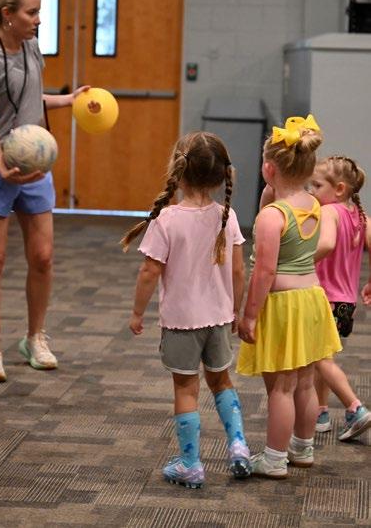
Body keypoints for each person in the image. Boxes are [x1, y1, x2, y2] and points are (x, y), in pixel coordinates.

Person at [0, 0, 88, 378]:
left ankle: (35, 338)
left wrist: (69, 100)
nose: (38, 20)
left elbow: (32, 100)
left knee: (43, 258)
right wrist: (1, 168)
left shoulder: (31, 47)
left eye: (39, 13)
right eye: (32, 13)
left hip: (34, 166)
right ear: (7, 15)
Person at [121, 131, 251, 489]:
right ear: (221, 175)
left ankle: (191, 464)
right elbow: (239, 271)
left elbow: (149, 272)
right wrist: (235, 310)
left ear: (178, 171)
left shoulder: (167, 219)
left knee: (186, 389)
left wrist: (137, 313)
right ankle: (239, 446)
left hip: (182, 323)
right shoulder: (227, 216)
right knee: (222, 381)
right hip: (219, 318)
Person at [237, 115, 342, 479]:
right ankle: (302, 447)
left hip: (283, 305)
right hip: (312, 298)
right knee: (305, 382)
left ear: (268, 169)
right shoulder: (313, 203)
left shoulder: (272, 217)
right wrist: (271, 191)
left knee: (281, 388)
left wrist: (250, 315)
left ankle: (274, 458)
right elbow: (275, 199)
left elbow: (264, 272)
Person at [309, 155, 371, 440]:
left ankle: (355, 407)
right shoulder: (360, 216)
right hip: (346, 303)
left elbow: (326, 244)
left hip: (325, 299)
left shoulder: (329, 212)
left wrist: (298, 262)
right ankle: (320, 413)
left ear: (340, 188)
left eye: (317, 185)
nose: (312, 191)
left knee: (320, 360)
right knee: (324, 356)